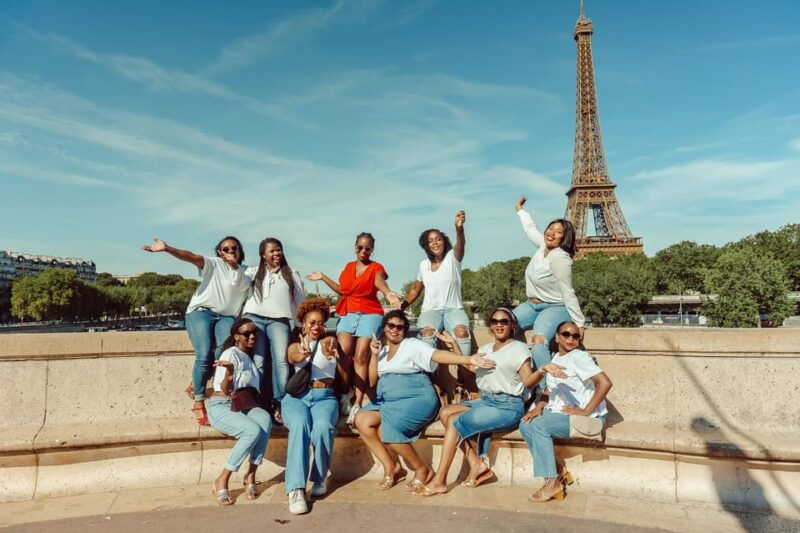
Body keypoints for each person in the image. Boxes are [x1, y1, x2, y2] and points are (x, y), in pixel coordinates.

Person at [417, 308, 568, 496]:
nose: (499, 324)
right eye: (495, 321)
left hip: (508, 406)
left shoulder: (518, 348)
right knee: (445, 412)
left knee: (455, 423)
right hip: (486, 400)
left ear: (512, 325)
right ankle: (477, 464)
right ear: (490, 325)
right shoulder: (485, 349)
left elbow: (528, 381)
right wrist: (454, 343)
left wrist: (543, 370)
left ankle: (440, 480)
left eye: (504, 321)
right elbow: (470, 369)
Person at [353, 310, 495, 493]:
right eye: (391, 326)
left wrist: (467, 358)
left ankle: (423, 470)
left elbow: (437, 355)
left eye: (400, 327)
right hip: (389, 401)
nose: (395, 330)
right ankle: (392, 468)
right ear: (384, 328)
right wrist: (374, 354)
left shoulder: (412, 345)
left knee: (389, 429)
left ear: (405, 330)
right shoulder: (382, 352)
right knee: (361, 420)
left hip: (417, 397)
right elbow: (372, 381)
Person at [142, 236, 250, 425]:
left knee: (223, 352)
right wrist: (168, 249)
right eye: (226, 249)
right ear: (219, 253)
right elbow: (190, 256)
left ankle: (196, 382)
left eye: (234, 248)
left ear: (240, 251)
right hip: (201, 312)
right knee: (204, 353)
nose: (230, 251)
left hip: (226, 317)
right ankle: (199, 400)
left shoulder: (247, 272)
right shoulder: (213, 264)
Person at [306, 232, 402, 425]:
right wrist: (323, 277)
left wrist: (388, 292)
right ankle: (345, 392)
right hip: (348, 312)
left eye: (367, 248)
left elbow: (379, 281)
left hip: (370, 312)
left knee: (360, 356)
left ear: (371, 250)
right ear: (355, 247)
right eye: (360, 247)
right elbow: (343, 291)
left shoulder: (376, 267)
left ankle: (357, 401)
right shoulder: (349, 267)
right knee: (342, 353)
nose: (363, 251)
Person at [519, 321, 612, 503]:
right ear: (557, 337)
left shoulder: (579, 357)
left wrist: (585, 411)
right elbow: (549, 389)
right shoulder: (556, 358)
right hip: (564, 413)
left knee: (538, 426)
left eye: (575, 336)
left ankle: (552, 482)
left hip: (591, 418)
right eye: (566, 334)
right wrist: (538, 408)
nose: (570, 338)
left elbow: (605, 383)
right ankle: (557, 470)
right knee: (525, 424)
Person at [512, 195, 586, 392]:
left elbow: (568, 292)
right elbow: (530, 229)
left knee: (538, 341)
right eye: (551, 228)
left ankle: (547, 391)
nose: (552, 232)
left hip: (555, 307)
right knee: (504, 326)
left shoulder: (560, 258)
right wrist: (520, 210)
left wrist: (579, 323)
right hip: (532, 304)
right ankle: (523, 376)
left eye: (558, 231)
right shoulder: (543, 247)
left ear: (565, 238)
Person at [281, 298, 343, 515]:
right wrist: (303, 354)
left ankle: (319, 478)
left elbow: (331, 345)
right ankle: (296, 490)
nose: (316, 327)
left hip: (324, 397)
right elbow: (293, 356)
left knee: (323, 427)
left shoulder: (329, 341)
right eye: (312, 322)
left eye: (320, 323)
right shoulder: (295, 345)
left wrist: (331, 347)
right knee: (300, 427)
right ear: (303, 324)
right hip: (297, 397)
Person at [402, 211, 471, 401]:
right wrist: (401, 307)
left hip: (453, 309)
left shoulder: (453, 257)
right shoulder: (423, 265)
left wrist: (459, 228)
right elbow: (416, 290)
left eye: (438, 239)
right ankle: (436, 385)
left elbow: (461, 243)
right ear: (426, 246)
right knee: (426, 335)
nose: (435, 243)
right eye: (430, 241)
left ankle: (461, 385)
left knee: (462, 332)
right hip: (430, 311)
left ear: (444, 240)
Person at [207, 318, 273, 505]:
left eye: (254, 333)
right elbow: (225, 390)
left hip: (242, 406)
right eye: (247, 334)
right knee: (252, 430)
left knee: (265, 420)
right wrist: (229, 373)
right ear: (237, 337)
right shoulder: (230, 354)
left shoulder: (249, 358)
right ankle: (222, 479)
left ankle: (250, 475)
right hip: (221, 405)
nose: (252, 336)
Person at [243, 237, 305, 425]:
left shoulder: (291, 274)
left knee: (280, 361)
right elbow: (236, 283)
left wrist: (300, 327)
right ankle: (259, 403)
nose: (277, 253)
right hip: (255, 317)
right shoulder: (253, 272)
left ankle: (280, 402)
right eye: (272, 251)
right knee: (259, 362)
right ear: (263, 255)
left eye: (279, 250)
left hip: (279, 320)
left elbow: (299, 302)